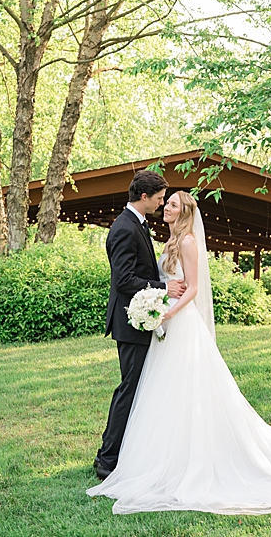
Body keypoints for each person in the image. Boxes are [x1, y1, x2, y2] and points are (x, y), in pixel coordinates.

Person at [88, 191, 271, 514]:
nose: (166, 207)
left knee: (187, 389)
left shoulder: (189, 243)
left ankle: (192, 458)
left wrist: (168, 313)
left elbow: (192, 288)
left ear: (185, 212)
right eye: (165, 202)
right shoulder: (169, 242)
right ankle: (161, 455)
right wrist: (158, 305)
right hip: (165, 323)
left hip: (180, 323)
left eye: (172, 204)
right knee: (162, 391)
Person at [94, 170, 186, 479]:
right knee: (129, 389)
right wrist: (163, 289)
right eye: (160, 198)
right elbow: (123, 280)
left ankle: (128, 453)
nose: (162, 204)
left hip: (141, 321)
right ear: (144, 197)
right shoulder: (124, 228)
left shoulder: (137, 224)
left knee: (139, 388)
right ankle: (107, 460)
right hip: (130, 322)